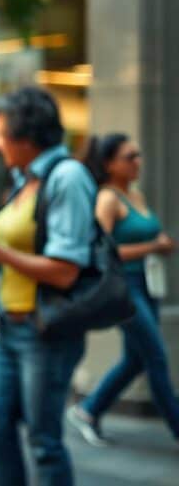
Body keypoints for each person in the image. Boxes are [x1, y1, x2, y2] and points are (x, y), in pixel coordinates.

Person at [0, 87, 98, 486]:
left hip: (44, 329)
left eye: (0, 134)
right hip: (9, 326)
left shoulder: (67, 177)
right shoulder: (22, 179)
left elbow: (65, 269)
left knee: (44, 441)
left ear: (25, 135)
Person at [67, 133, 179, 445]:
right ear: (109, 163)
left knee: (137, 359)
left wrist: (159, 247)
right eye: (130, 157)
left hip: (147, 283)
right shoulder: (107, 199)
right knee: (156, 356)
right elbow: (100, 251)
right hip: (123, 288)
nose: (138, 162)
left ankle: (89, 410)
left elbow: (143, 241)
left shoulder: (136, 194)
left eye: (138, 155)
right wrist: (152, 246)